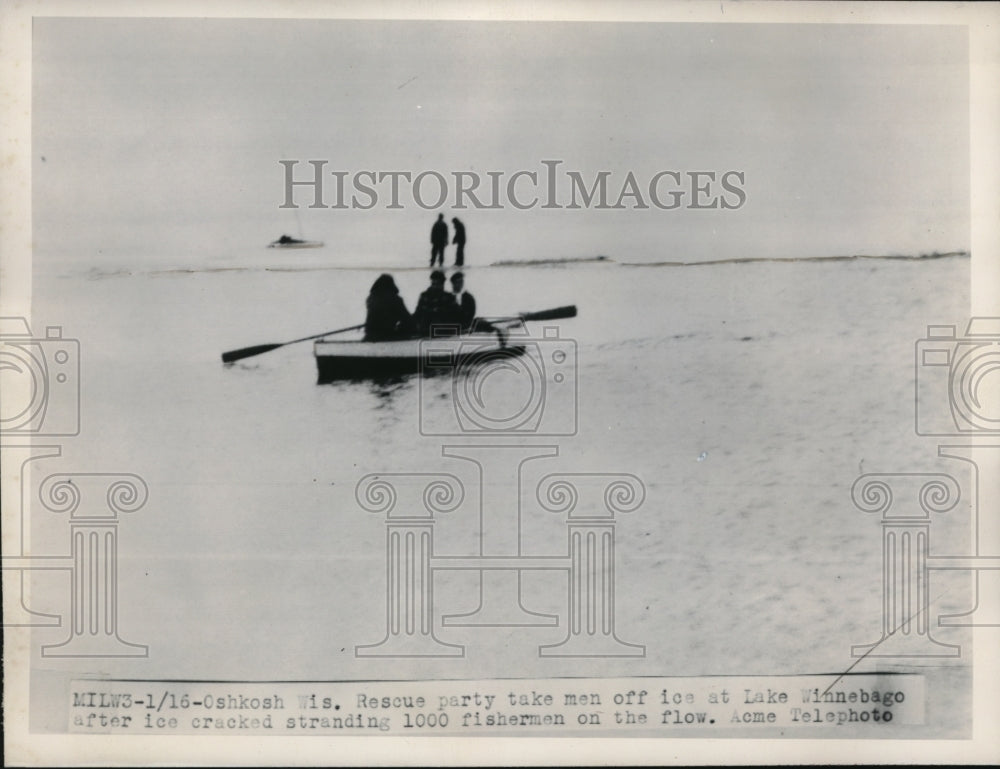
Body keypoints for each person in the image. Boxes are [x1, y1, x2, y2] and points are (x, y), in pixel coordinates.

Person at [363, 274, 414, 341]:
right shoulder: (395, 299)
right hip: (387, 333)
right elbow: (406, 318)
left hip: (370, 333)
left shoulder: (371, 298)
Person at [413, 270, 460, 336]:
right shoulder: (425, 296)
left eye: (437, 284)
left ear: (442, 285)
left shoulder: (449, 297)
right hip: (425, 328)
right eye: (433, 284)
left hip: (443, 329)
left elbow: (456, 315)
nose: (435, 287)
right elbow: (418, 312)